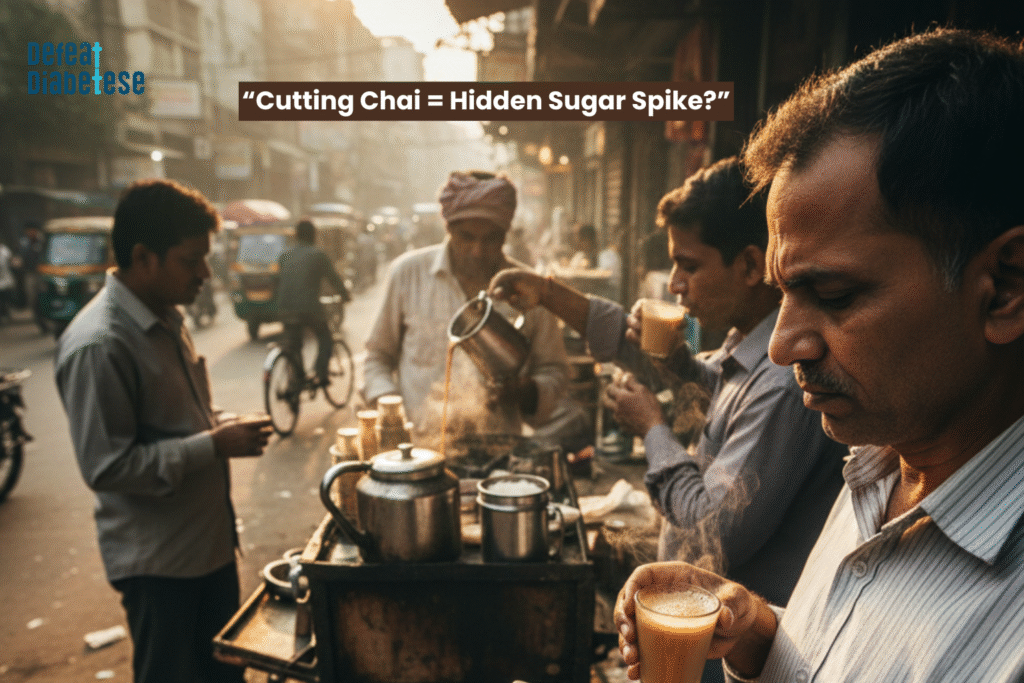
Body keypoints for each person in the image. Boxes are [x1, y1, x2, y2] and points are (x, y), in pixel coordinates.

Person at [613, 28, 1024, 683]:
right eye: (783, 292)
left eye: (833, 294)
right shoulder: (878, 465)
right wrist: (761, 632)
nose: (782, 346)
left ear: (1003, 287)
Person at [490, 157, 845, 617]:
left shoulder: (781, 385)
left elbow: (709, 533)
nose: (675, 284)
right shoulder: (745, 346)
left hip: (737, 637)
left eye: (688, 266)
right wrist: (549, 294)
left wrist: (652, 429)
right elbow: (694, 380)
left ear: (750, 265)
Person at [55, 179, 273, 683]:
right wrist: (212, 445)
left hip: (208, 547)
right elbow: (107, 467)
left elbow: (177, 419)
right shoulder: (101, 344)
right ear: (143, 257)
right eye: (191, 260)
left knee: (224, 674)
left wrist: (220, 426)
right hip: (161, 566)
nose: (205, 274)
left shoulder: (168, 318)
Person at [361, 170, 569, 441]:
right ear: (448, 229)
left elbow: (555, 371)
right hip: (419, 446)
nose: (477, 251)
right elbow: (377, 357)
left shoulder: (530, 291)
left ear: (505, 235)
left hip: (498, 448)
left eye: (491, 239)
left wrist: (526, 391)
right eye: (467, 237)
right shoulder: (407, 274)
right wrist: (390, 408)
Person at [275, 218, 350, 387]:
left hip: (285, 308)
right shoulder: (318, 255)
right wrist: (345, 295)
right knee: (326, 338)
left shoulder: (284, 256)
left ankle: (297, 380)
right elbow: (334, 279)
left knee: (294, 345)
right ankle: (320, 374)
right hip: (309, 308)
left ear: (296, 235)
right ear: (313, 235)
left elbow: (279, 281)